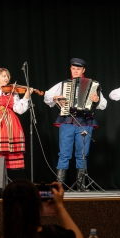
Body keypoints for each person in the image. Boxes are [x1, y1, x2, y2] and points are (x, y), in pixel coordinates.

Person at [44, 58, 107, 188]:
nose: (76, 71)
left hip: (85, 121)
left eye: (78, 69)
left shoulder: (93, 84)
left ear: (83, 70)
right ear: (70, 69)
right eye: (73, 68)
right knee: (64, 153)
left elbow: (104, 105)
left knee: (83, 154)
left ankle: (81, 185)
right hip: (67, 120)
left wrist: (97, 100)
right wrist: (55, 98)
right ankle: (59, 185)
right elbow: (46, 97)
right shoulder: (63, 84)